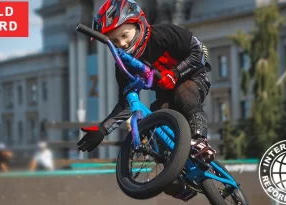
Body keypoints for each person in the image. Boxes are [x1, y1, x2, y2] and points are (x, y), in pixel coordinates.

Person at [77, 0, 215, 198]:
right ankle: (176, 175)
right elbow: (127, 102)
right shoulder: (124, 65)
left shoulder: (163, 34)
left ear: (138, 24)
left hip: (193, 77)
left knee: (184, 94)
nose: (122, 44)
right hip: (165, 92)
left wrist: (176, 73)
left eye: (124, 36)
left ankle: (200, 140)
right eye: (114, 42)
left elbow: (200, 50)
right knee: (156, 120)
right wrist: (103, 129)